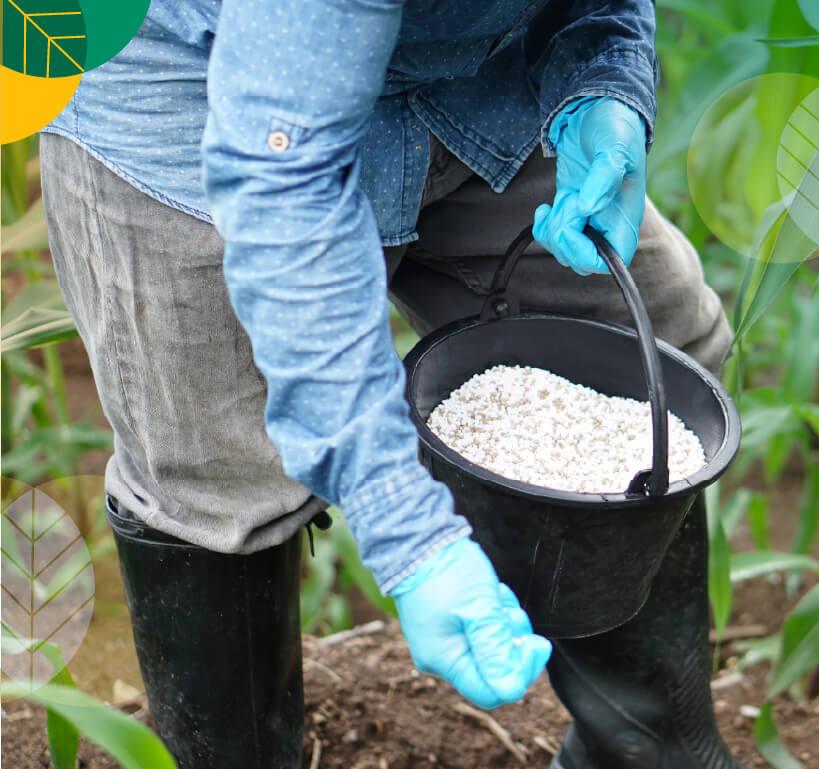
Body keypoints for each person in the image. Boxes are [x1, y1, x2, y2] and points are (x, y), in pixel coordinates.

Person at [39, 1, 740, 767]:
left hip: (467, 77)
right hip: (200, 93)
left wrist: (602, 80)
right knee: (219, 476)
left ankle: (644, 752)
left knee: (650, 340)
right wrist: (413, 543)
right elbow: (283, 192)